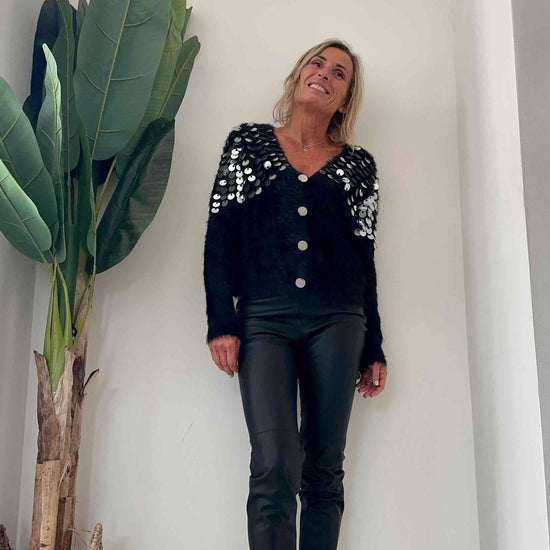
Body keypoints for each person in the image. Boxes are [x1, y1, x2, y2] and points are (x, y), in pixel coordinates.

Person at [203, 38, 388, 550]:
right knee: (274, 463)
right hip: (264, 320)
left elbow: (364, 260)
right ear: (299, 75)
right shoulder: (248, 144)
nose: (324, 74)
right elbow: (220, 235)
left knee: (324, 469)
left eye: (339, 73)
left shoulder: (359, 167)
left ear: (345, 99)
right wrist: (221, 320)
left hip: (339, 322)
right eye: (317, 63)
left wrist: (373, 346)